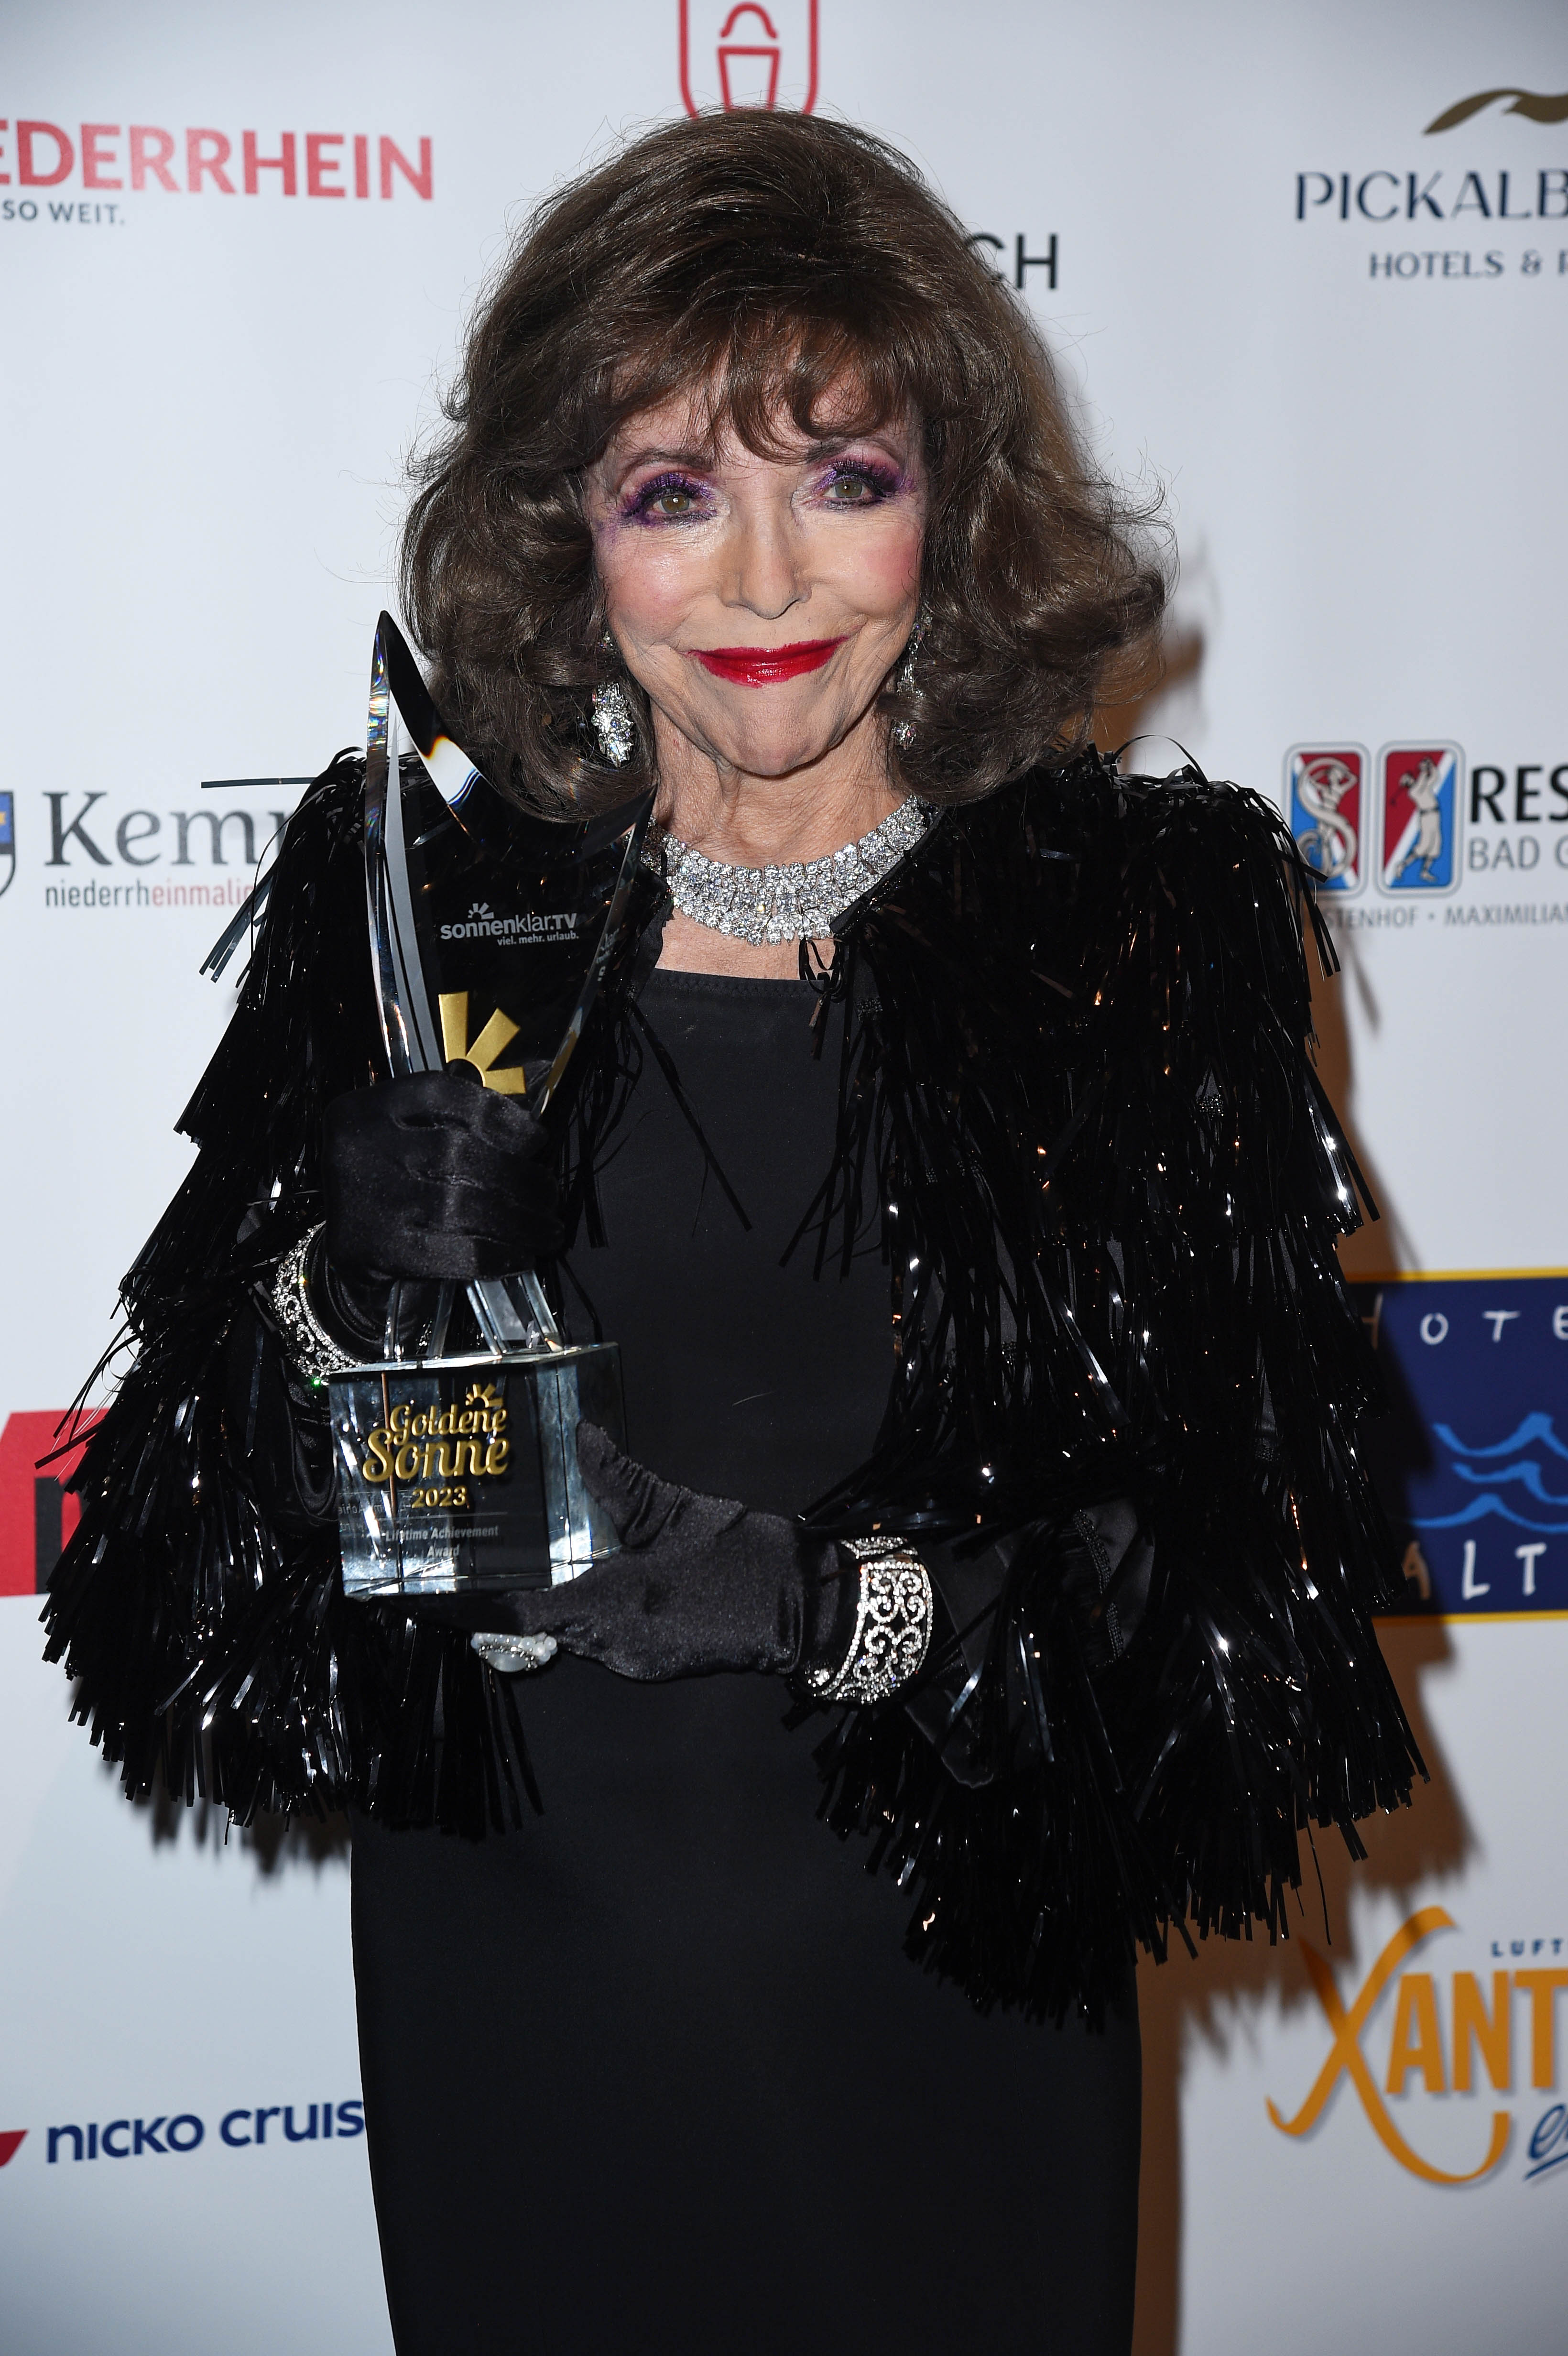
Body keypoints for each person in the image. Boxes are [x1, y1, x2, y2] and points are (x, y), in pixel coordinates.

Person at [45, 111, 1421, 2356]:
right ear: (571, 542)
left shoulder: (1134, 935)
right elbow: (192, 1598)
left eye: (841, 477)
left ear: (948, 514)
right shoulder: (427, 915)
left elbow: (1235, 1626)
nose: (767, 578)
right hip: (527, 2011)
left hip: (953, 2023)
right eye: (675, 493)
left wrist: (809, 1599)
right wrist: (342, 1299)